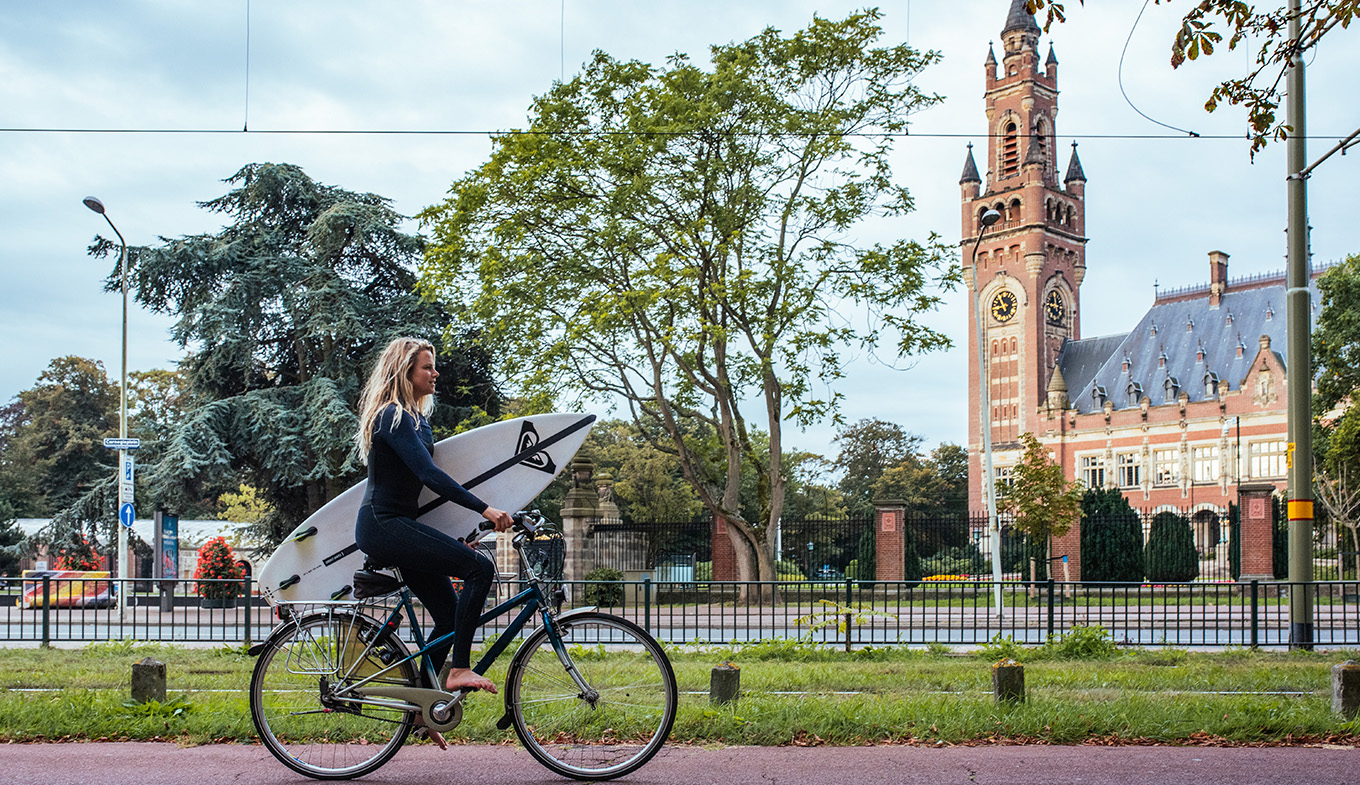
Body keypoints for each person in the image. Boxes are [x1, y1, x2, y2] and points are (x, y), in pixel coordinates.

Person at [353, 337, 513, 710]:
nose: (435, 372)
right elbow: (429, 475)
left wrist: (455, 538)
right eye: (427, 367)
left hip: (398, 525)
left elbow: (423, 492)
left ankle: (422, 707)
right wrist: (483, 508)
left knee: (447, 616)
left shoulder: (418, 422)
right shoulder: (390, 416)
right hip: (382, 524)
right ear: (405, 372)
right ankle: (458, 668)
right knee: (480, 569)